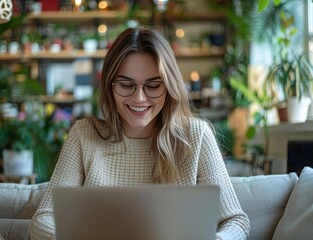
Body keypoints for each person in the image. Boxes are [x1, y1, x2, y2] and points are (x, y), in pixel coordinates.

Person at [30, 26, 250, 239]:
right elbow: (42, 220)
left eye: (153, 86)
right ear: (110, 86)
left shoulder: (196, 135)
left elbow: (236, 221)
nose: (139, 98)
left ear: (170, 87)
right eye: (126, 85)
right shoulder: (84, 135)